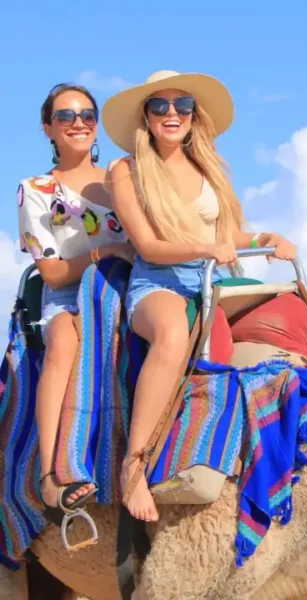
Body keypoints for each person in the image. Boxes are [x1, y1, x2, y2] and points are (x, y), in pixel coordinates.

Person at [102, 70, 307, 523]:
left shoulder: (206, 165)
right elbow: (149, 246)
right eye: (160, 106)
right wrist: (207, 248)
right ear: (146, 116)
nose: (171, 114)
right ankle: (133, 468)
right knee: (173, 335)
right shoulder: (127, 170)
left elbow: (227, 235)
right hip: (160, 280)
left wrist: (268, 238)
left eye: (182, 105)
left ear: (195, 115)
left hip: (215, 279)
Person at [17, 83, 135, 525]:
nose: (79, 123)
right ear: (48, 127)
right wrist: (106, 254)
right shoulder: (35, 189)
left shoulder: (123, 178)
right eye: (65, 116)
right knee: (64, 342)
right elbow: (51, 273)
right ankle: (51, 474)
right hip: (69, 293)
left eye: (87, 114)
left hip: (129, 288)